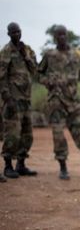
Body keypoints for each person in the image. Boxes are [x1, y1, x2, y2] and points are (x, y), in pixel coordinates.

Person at [38, 25, 80, 180]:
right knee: (58, 135)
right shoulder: (49, 55)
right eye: (58, 35)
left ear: (67, 36)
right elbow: (39, 73)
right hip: (56, 101)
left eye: (64, 34)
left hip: (74, 101)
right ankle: (63, 168)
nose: (62, 37)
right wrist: (48, 81)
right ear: (54, 37)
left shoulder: (75, 54)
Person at [0, 22, 38, 179]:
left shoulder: (27, 49)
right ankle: (8, 166)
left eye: (19, 32)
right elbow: (1, 76)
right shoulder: (5, 52)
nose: (17, 35)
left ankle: (21, 164)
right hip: (12, 100)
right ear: (9, 34)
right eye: (13, 32)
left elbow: (35, 70)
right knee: (12, 134)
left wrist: (26, 56)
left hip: (26, 99)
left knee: (27, 134)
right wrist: (6, 97)